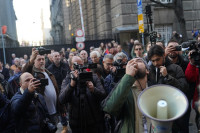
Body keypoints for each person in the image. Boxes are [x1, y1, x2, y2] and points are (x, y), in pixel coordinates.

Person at [59, 56, 106, 133]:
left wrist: (94, 89)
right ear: (71, 67)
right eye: (76, 65)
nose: (80, 68)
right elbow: (61, 99)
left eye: (81, 65)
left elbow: (103, 95)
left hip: (94, 121)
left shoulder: (93, 77)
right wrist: (71, 86)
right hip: (76, 123)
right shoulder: (67, 79)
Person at [102, 58, 150, 133]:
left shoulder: (154, 90)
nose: (134, 63)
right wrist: (128, 76)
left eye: (139, 61)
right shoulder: (124, 90)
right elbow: (110, 108)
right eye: (131, 62)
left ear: (147, 70)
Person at [147, 45, 189, 133]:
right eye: (153, 61)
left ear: (164, 56)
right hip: (157, 113)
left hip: (174, 114)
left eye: (157, 59)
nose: (155, 63)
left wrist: (167, 76)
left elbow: (184, 88)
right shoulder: (150, 71)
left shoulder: (176, 68)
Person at [22, 48, 66, 127]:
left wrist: (61, 107)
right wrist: (31, 59)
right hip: (43, 113)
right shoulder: (33, 74)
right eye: (39, 59)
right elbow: (25, 72)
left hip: (54, 111)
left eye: (43, 59)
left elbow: (56, 91)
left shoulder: (48, 73)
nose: (42, 61)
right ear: (34, 62)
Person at [47, 51, 70, 133]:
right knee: (61, 108)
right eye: (55, 56)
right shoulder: (49, 69)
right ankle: (64, 126)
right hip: (58, 90)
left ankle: (71, 122)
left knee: (70, 106)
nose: (57, 57)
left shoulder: (65, 65)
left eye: (58, 56)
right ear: (52, 58)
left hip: (68, 88)